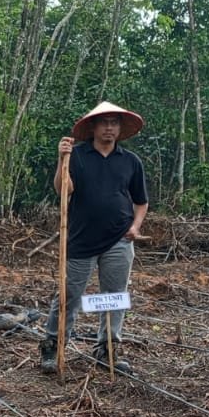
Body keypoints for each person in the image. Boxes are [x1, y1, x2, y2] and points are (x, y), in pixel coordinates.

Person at [38, 101, 148, 376]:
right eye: (104, 123)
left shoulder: (130, 161)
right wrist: (62, 159)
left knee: (115, 296)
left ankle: (107, 349)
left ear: (120, 128)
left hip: (119, 239)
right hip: (81, 238)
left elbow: (141, 201)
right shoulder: (77, 154)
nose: (109, 128)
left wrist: (135, 227)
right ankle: (53, 346)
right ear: (94, 127)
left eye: (114, 123)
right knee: (69, 295)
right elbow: (63, 190)